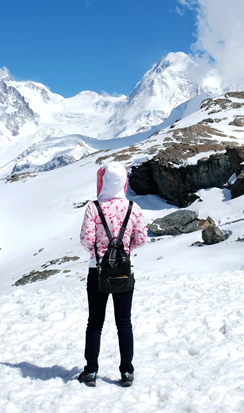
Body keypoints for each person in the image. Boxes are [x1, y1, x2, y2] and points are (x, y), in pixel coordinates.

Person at [77, 162, 147, 387]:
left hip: (96, 270)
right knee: (124, 322)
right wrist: (125, 251)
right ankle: (126, 372)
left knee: (95, 323)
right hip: (126, 271)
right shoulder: (133, 208)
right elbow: (142, 238)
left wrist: (99, 253)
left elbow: (86, 240)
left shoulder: (93, 207)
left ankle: (91, 371)